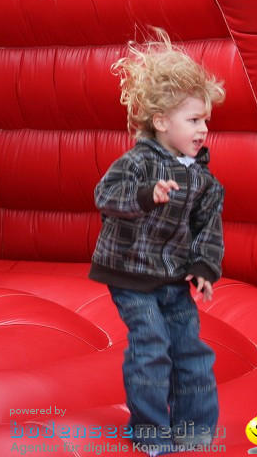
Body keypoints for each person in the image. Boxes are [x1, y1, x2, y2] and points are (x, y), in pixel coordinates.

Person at [89, 28, 226, 456]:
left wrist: (203, 268)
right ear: (162, 121)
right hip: (129, 273)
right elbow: (105, 198)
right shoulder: (136, 162)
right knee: (152, 347)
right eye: (193, 120)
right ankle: (150, 434)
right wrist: (148, 196)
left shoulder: (205, 181)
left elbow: (209, 230)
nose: (203, 129)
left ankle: (193, 432)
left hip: (170, 277)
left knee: (192, 352)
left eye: (205, 120)